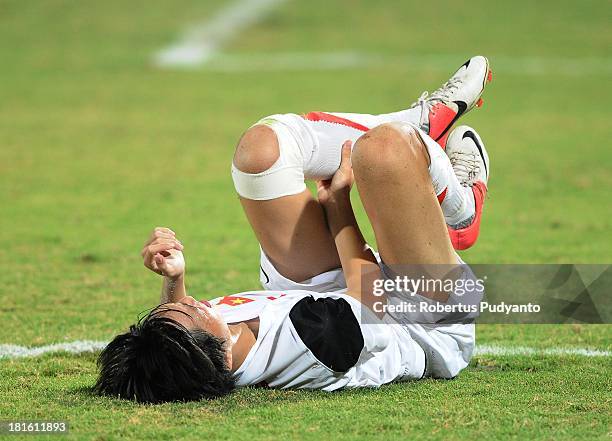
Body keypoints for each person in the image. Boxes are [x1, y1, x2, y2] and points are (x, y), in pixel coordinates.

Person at [94, 56, 492, 403]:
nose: (190, 302)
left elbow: (172, 340)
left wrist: (173, 278)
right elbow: (373, 298)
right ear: (221, 358)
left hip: (322, 296)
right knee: (383, 152)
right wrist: (337, 207)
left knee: (260, 154)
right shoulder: (317, 340)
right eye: (189, 312)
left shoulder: (201, 349)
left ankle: (420, 125)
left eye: (171, 309)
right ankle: (459, 210)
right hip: (415, 319)